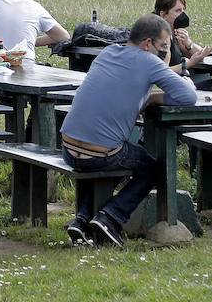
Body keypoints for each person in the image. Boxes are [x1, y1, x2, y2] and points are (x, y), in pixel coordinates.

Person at [60, 14, 198, 248]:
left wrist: (148, 97)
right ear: (147, 43)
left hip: (68, 147)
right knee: (153, 169)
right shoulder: (149, 61)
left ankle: (82, 219)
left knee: (118, 154)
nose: (165, 53)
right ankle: (110, 218)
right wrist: (155, 97)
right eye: (163, 47)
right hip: (100, 154)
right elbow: (188, 96)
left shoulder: (109, 52)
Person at [152, 0, 211, 79]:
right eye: (178, 10)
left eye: (183, 10)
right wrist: (189, 63)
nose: (182, 15)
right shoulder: (159, 36)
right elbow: (160, 72)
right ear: (163, 14)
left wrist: (189, 44)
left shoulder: (175, 32)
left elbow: (201, 56)